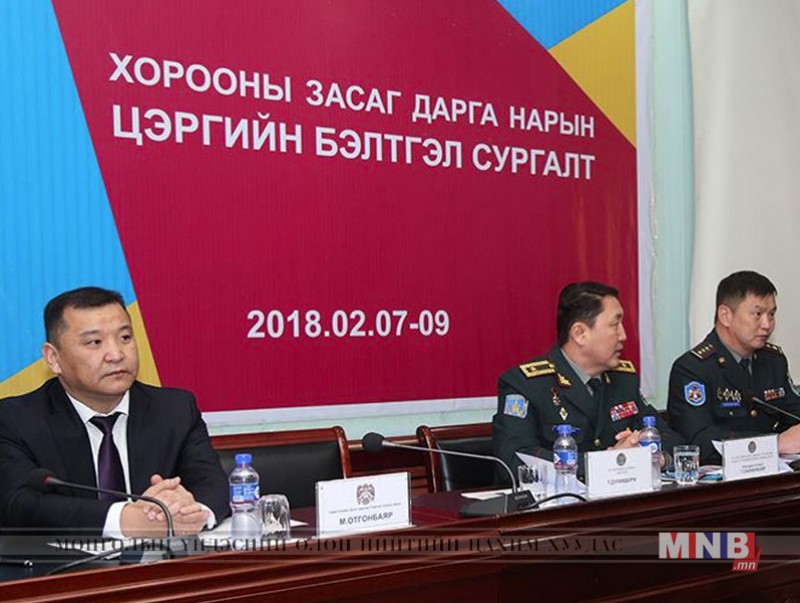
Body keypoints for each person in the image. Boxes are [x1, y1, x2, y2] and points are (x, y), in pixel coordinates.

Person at [0, 286, 229, 537]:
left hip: (162, 559)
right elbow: (18, 505)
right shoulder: (15, 419)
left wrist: (192, 514)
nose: (116, 354)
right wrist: (126, 520)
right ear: (53, 358)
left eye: (125, 338)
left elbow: (212, 484)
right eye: (95, 342)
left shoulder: (175, 409)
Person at [493, 281, 680, 479]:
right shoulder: (526, 384)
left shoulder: (623, 380)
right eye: (615, 325)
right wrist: (609, 461)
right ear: (580, 334)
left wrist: (650, 453)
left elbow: (671, 438)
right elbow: (513, 459)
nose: (624, 335)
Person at [668, 271, 800, 464]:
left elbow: (794, 414)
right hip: (723, 477)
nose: (767, 324)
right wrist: (773, 444)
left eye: (771, 314)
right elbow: (697, 441)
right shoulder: (692, 369)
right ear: (725, 315)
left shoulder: (773, 360)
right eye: (757, 314)